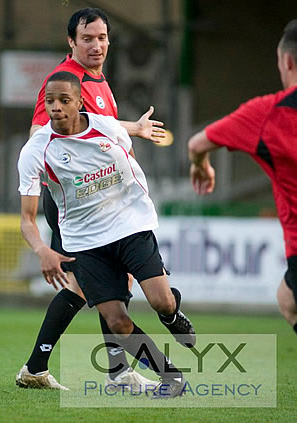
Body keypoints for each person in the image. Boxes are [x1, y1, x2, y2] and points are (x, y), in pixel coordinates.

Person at [16, 8, 195, 391]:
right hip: (76, 204)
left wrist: (135, 128)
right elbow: (41, 132)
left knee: (100, 288)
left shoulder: (97, 81)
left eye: (101, 38)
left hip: (108, 203)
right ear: (71, 42)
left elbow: (99, 127)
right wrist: (68, 175)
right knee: (83, 287)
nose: (96, 46)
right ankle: (49, 368)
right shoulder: (62, 82)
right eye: (87, 39)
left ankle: (105, 369)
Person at [187, 20, 297, 333]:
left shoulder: (267, 114)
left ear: (286, 61)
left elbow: (196, 143)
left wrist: (201, 164)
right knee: (288, 299)